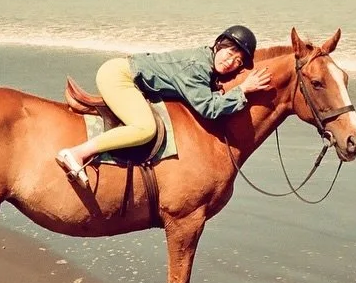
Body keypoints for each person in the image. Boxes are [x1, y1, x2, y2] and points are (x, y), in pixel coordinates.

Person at [56, 25, 272, 187]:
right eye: (230, 52)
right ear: (218, 45)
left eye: (238, 61)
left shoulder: (206, 65)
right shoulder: (197, 67)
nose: (231, 61)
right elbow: (208, 108)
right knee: (144, 128)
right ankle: (77, 153)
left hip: (127, 74)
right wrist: (242, 90)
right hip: (119, 76)